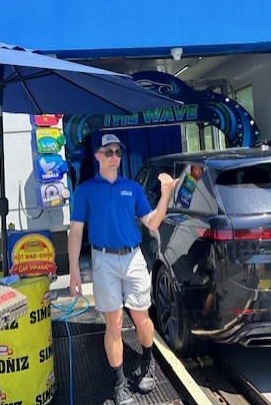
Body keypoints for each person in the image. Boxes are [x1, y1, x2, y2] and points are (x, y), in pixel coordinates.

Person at [67, 133, 178, 405]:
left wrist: (165, 195)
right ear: (97, 156)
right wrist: (73, 270)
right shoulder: (85, 191)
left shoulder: (133, 188)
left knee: (141, 318)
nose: (114, 157)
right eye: (108, 152)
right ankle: (120, 383)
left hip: (133, 258)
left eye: (117, 152)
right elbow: (76, 232)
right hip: (103, 261)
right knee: (114, 323)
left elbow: (151, 222)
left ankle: (147, 361)